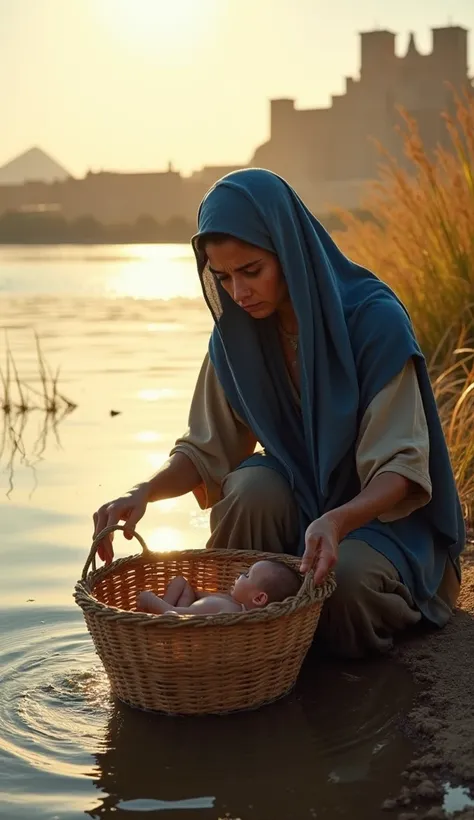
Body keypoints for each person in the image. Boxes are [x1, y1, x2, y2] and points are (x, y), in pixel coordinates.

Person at [92, 168, 465, 659]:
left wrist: (336, 522)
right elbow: (208, 450)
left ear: (289, 251)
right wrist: (144, 492)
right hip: (305, 519)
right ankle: (247, 638)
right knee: (250, 487)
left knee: (343, 586)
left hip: (383, 524)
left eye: (251, 270)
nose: (239, 292)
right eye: (222, 278)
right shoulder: (237, 333)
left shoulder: (374, 323)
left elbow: (400, 471)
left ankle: (323, 658)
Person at [136, 559, 301, 615]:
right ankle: (157, 613)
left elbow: (180, 616)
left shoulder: (232, 613)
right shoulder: (235, 602)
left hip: (180, 621)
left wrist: (151, 600)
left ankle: (153, 613)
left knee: (168, 613)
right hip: (186, 607)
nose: (240, 574)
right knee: (180, 581)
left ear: (258, 598)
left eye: (247, 575)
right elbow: (204, 596)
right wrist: (198, 594)